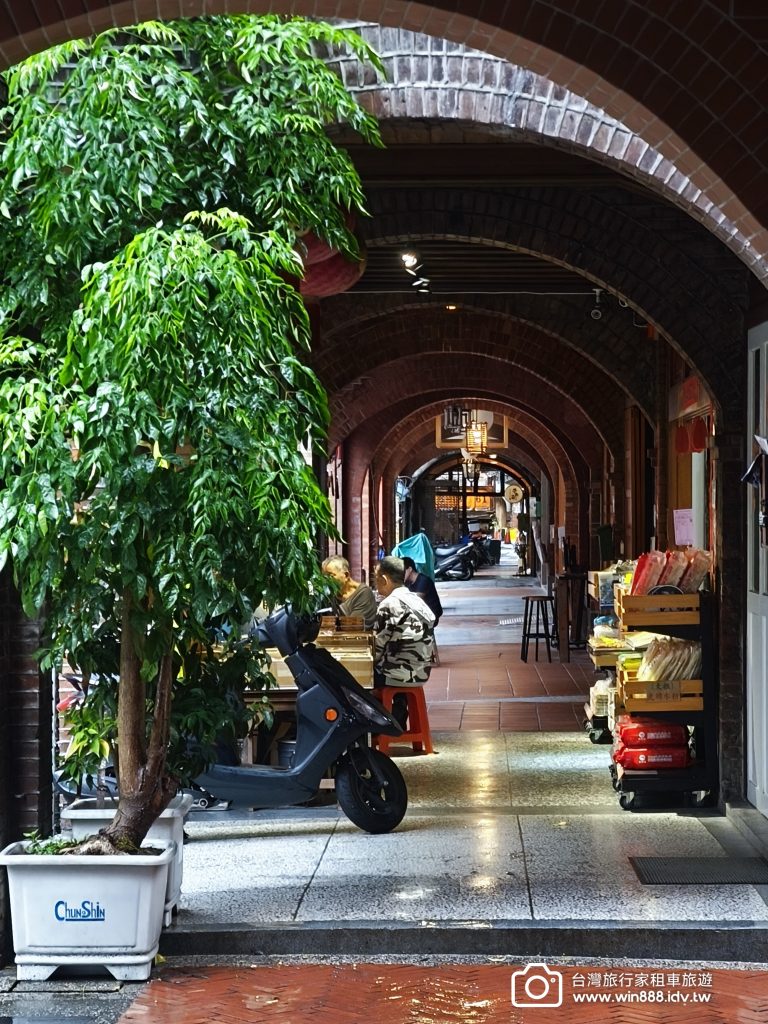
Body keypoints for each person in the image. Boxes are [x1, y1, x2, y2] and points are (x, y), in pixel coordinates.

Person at [373, 556, 436, 726]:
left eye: (375, 578)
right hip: (421, 670)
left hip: (398, 673)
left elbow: (376, 650)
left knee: (354, 678)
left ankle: (380, 725)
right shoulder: (415, 599)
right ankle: (398, 711)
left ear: (384, 579)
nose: (374, 583)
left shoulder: (389, 604)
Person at [321, 555, 377, 630]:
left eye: (330, 576)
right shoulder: (330, 594)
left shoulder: (363, 593)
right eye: (324, 577)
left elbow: (353, 626)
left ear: (346, 575)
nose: (326, 580)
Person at [401, 556, 443, 626]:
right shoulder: (408, 583)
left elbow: (416, 601)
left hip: (430, 617)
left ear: (410, 569)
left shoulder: (423, 580)